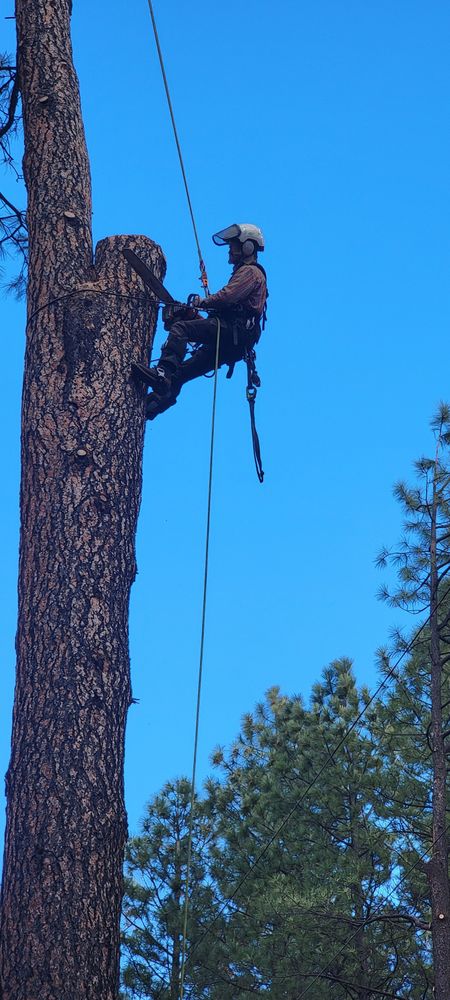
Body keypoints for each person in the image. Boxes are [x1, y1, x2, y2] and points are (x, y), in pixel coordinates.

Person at [131, 223, 267, 420]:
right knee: (181, 373)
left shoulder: (251, 273)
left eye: (233, 245)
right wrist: (193, 314)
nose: (229, 250)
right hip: (232, 340)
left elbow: (226, 297)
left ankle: (162, 372)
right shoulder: (245, 273)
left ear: (247, 247)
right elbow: (223, 311)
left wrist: (200, 303)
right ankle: (153, 405)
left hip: (231, 332)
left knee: (180, 329)